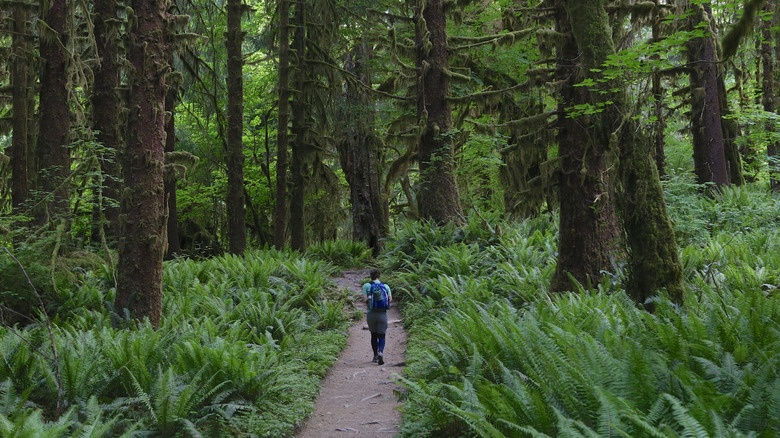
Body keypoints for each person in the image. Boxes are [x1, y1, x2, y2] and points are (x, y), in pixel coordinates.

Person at [363, 269, 392, 365]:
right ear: (379, 276)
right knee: (382, 335)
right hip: (383, 314)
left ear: (370, 276)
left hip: (371, 314)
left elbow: (365, 300)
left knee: (373, 335)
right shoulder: (386, 286)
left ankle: (375, 356)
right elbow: (390, 299)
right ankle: (380, 352)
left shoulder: (367, 286)